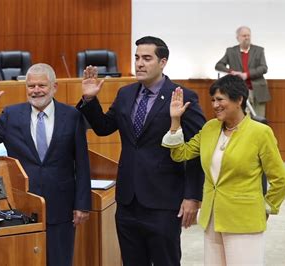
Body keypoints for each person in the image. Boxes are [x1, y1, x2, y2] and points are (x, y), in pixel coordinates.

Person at [76, 36, 206, 266]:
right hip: (127, 201)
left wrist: (192, 196)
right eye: (137, 58)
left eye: (147, 58)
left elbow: (198, 149)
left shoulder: (182, 96)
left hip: (164, 201)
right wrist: (90, 99)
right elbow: (104, 128)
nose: (139, 64)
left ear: (163, 62)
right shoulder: (126, 94)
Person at [0, 63, 91, 266]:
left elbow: (82, 162)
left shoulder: (72, 116)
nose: (36, 91)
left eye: (41, 85)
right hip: (24, 208)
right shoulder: (11, 115)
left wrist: (82, 204)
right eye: (31, 86)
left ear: (54, 87)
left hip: (62, 207)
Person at [162, 75, 285, 265]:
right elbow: (181, 154)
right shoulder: (210, 128)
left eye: (220, 99)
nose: (215, 105)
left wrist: (266, 208)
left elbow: (280, 178)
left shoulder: (260, 132)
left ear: (239, 100)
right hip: (212, 219)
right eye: (213, 100)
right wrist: (175, 120)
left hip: (244, 220)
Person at [215, 26, 269, 117]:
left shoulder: (259, 50)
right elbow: (219, 65)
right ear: (238, 38)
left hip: (257, 89)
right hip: (240, 90)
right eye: (244, 35)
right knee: (243, 117)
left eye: (248, 35)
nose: (247, 38)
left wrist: (246, 75)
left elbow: (264, 68)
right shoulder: (231, 51)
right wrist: (232, 72)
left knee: (259, 117)